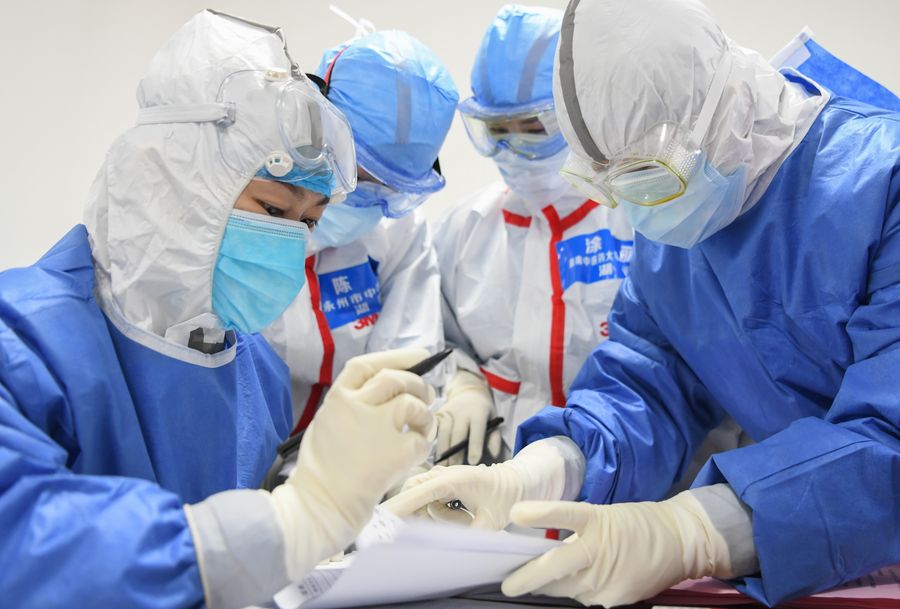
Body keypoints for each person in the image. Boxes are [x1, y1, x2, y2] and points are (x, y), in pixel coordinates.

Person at [387, 0, 900, 606]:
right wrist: (544, 468)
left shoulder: (881, 183)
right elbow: (646, 382)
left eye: (644, 175)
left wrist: (695, 531)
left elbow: (888, 436)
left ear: (723, 112)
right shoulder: (679, 223)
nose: (633, 207)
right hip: (798, 560)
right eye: (605, 182)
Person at [0, 11, 434, 609]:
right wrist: (292, 521)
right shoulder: (22, 346)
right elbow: (23, 541)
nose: (291, 243)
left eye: (309, 222)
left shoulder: (254, 369)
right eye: (274, 210)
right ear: (178, 181)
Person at [432, 4, 633, 468]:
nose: (513, 149)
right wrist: (461, 382)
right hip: (494, 485)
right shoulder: (465, 229)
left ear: (580, 116)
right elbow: (433, 337)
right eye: (498, 130)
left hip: (623, 480)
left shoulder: (641, 223)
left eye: (534, 128)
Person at [264, 28, 457, 434]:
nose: (359, 195)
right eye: (355, 172)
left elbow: (408, 361)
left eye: (385, 186)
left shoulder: (399, 231)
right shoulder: (252, 210)